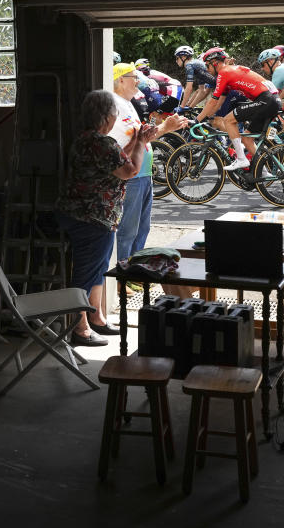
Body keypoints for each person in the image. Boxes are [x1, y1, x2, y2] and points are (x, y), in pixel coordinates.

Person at [55, 90, 155, 346]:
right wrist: (142, 144)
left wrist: (138, 141)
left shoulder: (86, 140)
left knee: (98, 269)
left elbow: (117, 159)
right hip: (93, 218)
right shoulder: (102, 143)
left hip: (82, 214)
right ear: (106, 117)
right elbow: (129, 171)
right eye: (114, 113)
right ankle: (80, 328)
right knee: (87, 272)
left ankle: (96, 317)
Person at [110, 63, 187, 266]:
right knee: (128, 230)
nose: (138, 81)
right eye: (134, 77)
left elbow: (142, 136)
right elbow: (135, 139)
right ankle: (122, 276)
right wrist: (165, 127)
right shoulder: (115, 104)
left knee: (142, 228)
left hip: (143, 174)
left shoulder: (128, 103)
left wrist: (168, 126)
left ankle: (137, 270)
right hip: (132, 176)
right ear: (120, 80)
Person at [194, 47, 281, 170]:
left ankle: (241, 159)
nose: (207, 70)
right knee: (246, 138)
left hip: (266, 100)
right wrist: (208, 117)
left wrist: (197, 120)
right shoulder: (230, 71)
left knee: (228, 120)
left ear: (215, 63)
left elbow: (212, 101)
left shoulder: (224, 72)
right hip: (272, 99)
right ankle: (263, 171)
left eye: (207, 66)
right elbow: (218, 103)